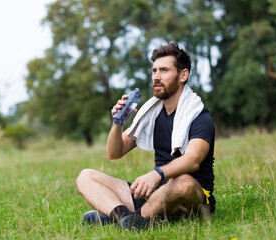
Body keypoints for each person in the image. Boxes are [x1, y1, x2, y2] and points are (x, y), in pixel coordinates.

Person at [76, 42, 216, 231]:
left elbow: (193, 160)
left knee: (183, 183)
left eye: (164, 70)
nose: (156, 77)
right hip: (155, 194)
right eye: (154, 71)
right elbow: (114, 152)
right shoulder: (152, 114)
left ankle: (132, 216)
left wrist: (156, 174)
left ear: (183, 75)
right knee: (86, 177)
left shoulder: (199, 117)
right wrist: (117, 123)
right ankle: (126, 218)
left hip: (189, 196)